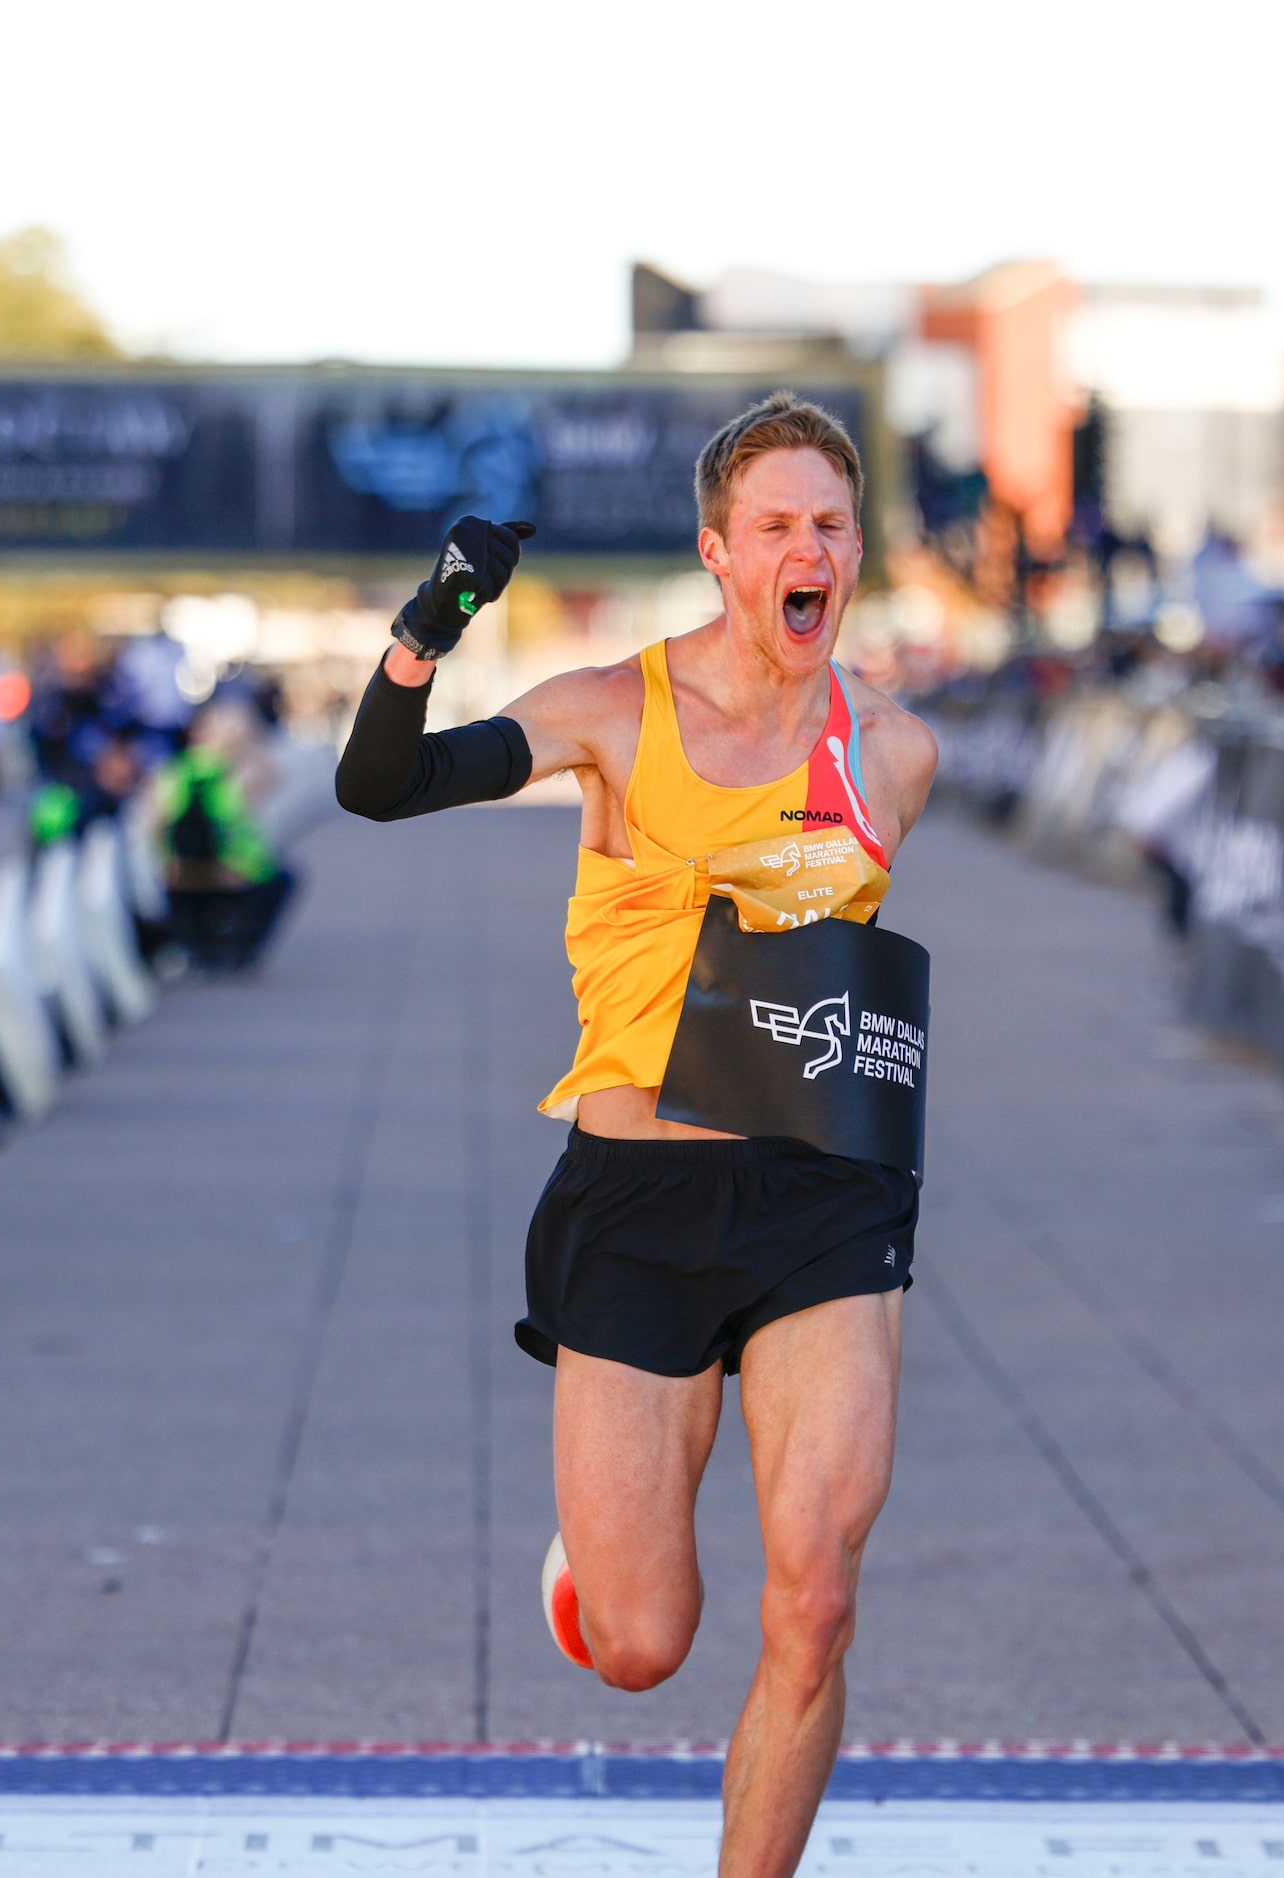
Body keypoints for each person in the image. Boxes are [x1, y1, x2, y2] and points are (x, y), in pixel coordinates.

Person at [336, 393, 937, 1878]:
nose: (811, 548)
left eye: (833, 525)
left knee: (814, 1596)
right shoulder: (616, 709)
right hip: (637, 1199)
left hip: (823, 1196)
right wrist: (435, 622)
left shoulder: (896, 753)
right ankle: (594, 1575)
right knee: (641, 1643)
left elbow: (841, 982)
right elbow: (382, 783)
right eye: (779, 525)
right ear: (719, 554)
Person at [155, 701, 294, 972]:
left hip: (181, 870)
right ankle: (243, 950)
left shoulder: (175, 770)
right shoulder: (235, 771)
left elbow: (156, 824)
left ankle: (202, 950)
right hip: (231, 868)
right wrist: (246, 744)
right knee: (284, 879)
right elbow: (274, 777)